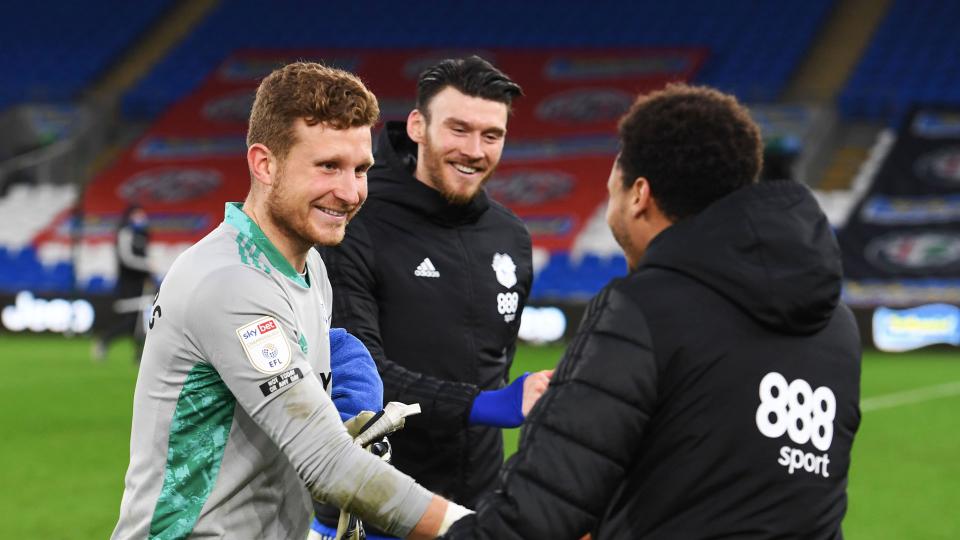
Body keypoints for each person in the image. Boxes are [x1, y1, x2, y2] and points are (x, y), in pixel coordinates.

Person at [443, 84, 862, 539]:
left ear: (639, 194)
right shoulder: (835, 326)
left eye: (613, 182)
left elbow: (533, 519)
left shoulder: (642, 309)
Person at [111, 61, 470, 540]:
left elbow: (323, 344)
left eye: (360, 169)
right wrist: (477, 530)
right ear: (264, 163)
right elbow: (327, 462)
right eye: (328, 166)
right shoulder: (230, 281)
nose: (349, 192)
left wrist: (352, 377)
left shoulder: (307, 264)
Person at [313, 56, 552, 538]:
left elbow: (493, 363)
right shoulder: (356, 220)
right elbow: (357, 372)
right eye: (459, 130)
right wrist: (484, 404)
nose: (474, 150)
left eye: (492, 135)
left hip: (478, 515)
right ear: (418, 126)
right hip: (374, 512)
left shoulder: (510, 236)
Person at [92, 205, 152, 361]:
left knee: (138, 321)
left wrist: (147, 273)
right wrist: (146, 264)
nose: (142, 217)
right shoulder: (125, 233)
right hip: (128, 283)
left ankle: (139, 354)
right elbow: (127, 258)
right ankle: (104, 340)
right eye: (138, 214)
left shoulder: (143, 235)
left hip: (140, 283)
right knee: (132, 321)